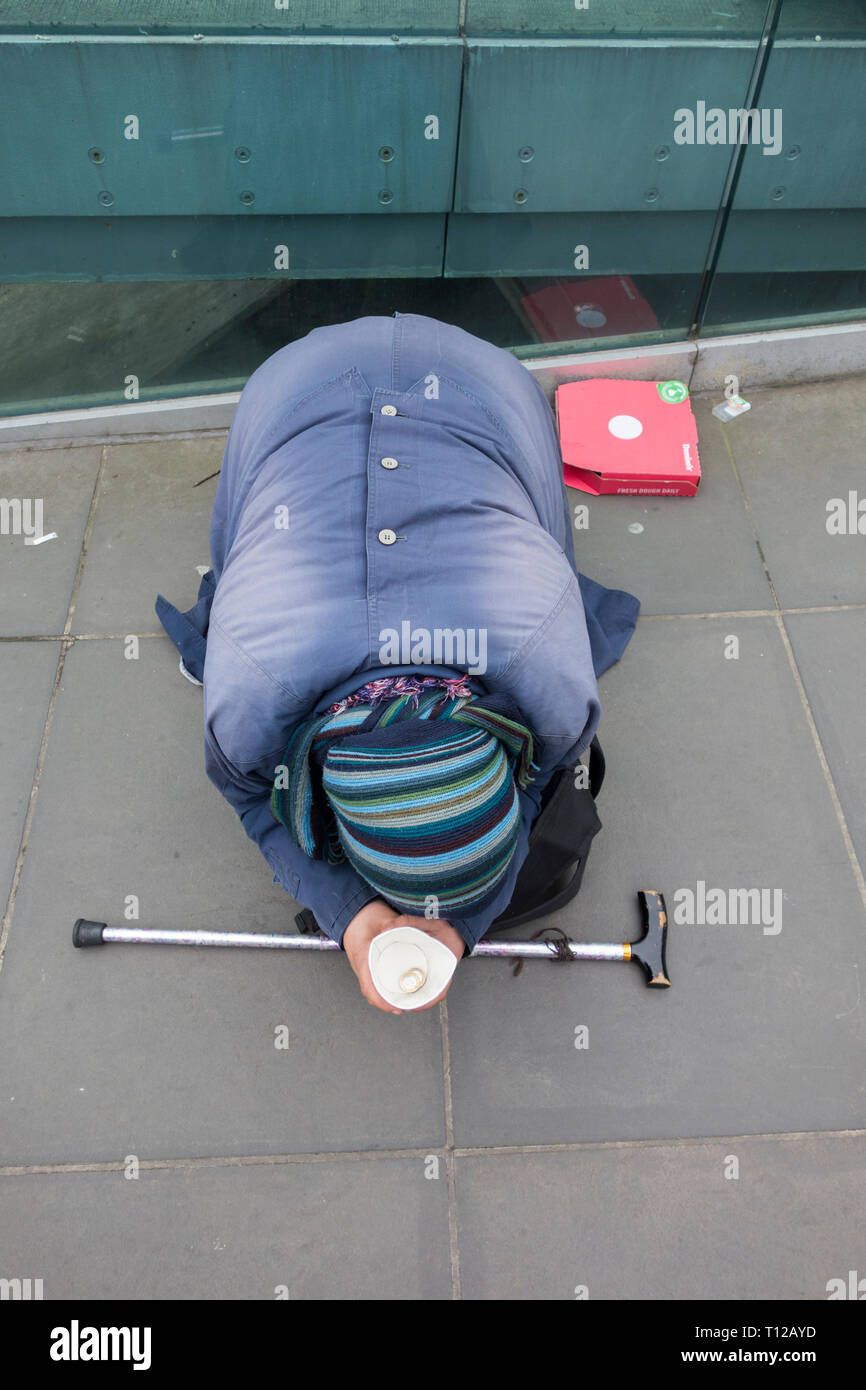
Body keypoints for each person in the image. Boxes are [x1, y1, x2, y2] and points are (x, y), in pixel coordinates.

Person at [156, 311, 639, 1014]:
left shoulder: (551, 670)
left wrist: (401, 919)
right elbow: (247, 795)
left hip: (453, 381)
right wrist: (365, 918)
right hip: (346, 386)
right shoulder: (251, 687)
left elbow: (538, 785)